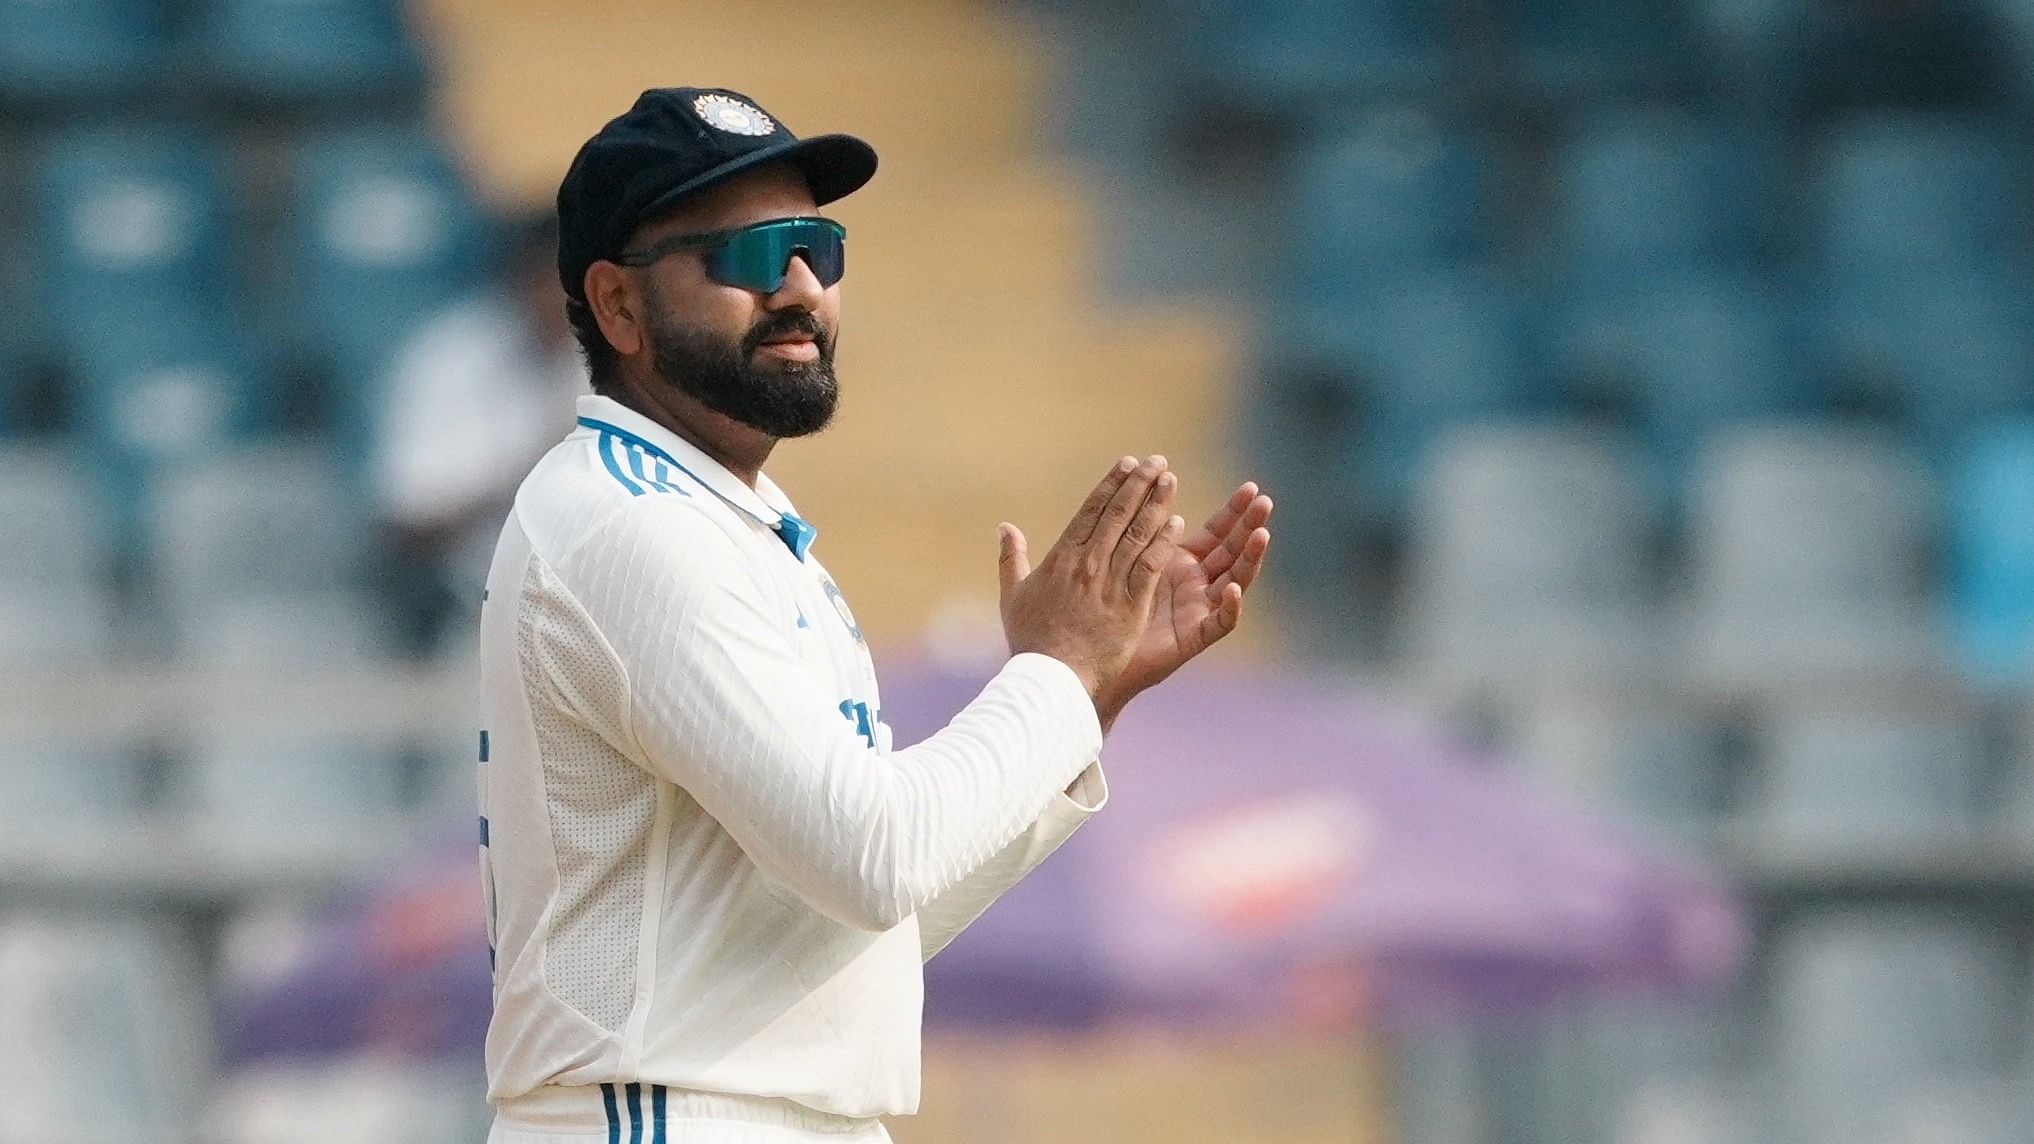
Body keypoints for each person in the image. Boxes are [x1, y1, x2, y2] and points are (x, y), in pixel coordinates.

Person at [476, 86, 1273, 1144]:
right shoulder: (629, 523)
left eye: (818, 246)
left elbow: (858, 916)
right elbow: (873, 857)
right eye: (750, 256)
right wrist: (1052, 675)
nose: (801, 286)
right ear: (619, 306)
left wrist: (1087, 695)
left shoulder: (728, 522)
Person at [371, 209, 588, 655]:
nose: (560, 299)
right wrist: (533, 473)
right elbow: (408, 528)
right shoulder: (449, 359)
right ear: (517, 280)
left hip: (605, 602)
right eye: (548, 281)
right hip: (473, 607)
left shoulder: (622, 353)